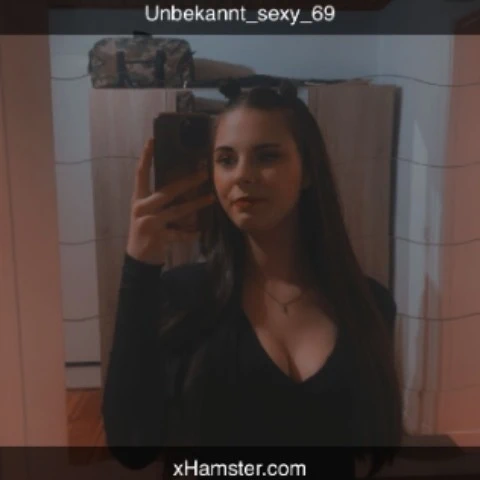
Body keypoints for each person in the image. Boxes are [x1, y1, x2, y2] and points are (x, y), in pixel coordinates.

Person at [102, 79, 404, 477]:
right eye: (226, 159)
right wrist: (139, 268)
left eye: (267, 156)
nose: (243, 175)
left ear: (308, 171)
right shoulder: (181, 297)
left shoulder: (369, 304)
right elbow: (131, 445)